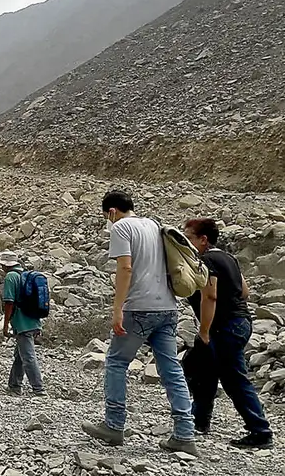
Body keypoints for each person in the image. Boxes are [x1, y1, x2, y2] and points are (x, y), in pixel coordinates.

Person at [82, 191, 197, 455]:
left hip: (139, 307)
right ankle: (184, 434)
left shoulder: (121, 227)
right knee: (171, 370)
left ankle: (113, 425)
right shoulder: (154, 225)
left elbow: (125, 269)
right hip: (167, 307)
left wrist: (118, 308)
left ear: (111, 211)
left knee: (116, 362)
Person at [183, 218, 274, 449]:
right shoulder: (227, 257)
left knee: (234, 378)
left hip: (225, 327)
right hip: (239, 322)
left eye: (189, 237)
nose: (186, 241)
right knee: (207, 372)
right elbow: (245, 291)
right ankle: (198, 420)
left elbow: (209, 296)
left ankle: (261, 432)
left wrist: (204, 331)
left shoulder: (206, 260)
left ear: (203, 239)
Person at [0, 251, 45, 396]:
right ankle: (14, 386)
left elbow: (9, 302)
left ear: (4, 265)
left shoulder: (11, 277)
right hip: (33, 321)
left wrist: (6, 325)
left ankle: (38, 389)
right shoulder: (25, 275)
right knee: (20, 355)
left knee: (28, 356)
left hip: (21, 322)